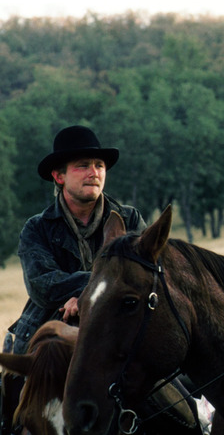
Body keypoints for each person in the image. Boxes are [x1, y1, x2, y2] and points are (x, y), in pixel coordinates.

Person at [12, 125, 146, 355]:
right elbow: (43, 286)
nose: (94, 173)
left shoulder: (129, 219)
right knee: (23, 383)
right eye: (83, 165)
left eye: (99, 165)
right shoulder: (37, 228)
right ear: (59, 176)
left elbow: (145, 274)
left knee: (172, 382)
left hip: (122, 322)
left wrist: (85, 297)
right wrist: (98, 287)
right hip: (52, 325)